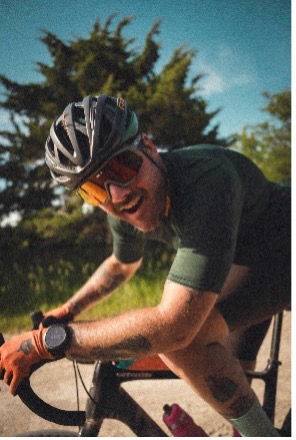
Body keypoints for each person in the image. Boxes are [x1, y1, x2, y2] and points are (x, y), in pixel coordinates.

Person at [0, 94, 290, 436]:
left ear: (149, 147)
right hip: (240, 261)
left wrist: (46, 342)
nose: (117, 194)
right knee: (219, 378)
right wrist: (69, 309)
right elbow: (121, 264)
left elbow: (172, 326)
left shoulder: (208, 181)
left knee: (181, 340)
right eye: (94, 189)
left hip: (285, 247)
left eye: (122, 166)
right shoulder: (120, 203)